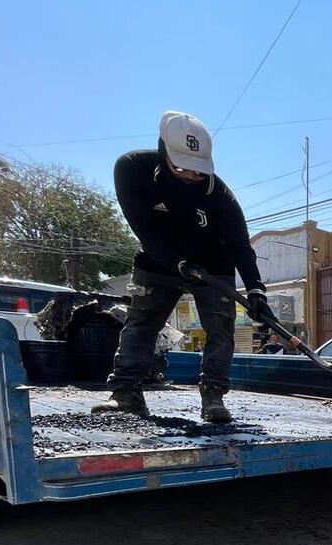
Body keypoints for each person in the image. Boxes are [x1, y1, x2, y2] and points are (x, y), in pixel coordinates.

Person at [93, 111, 272, 424]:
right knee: (142, 322)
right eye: (182, 168)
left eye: (198, 171)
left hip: (212, 265)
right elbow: (143, 228)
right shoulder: (132, 169)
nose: (191, 176)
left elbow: (240, 247)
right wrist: (177, 262)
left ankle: (213, 396)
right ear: (164, 151)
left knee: (221, 329)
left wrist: (256, 291)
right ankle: (126, 393)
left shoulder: (220, 196)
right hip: (158, 258)